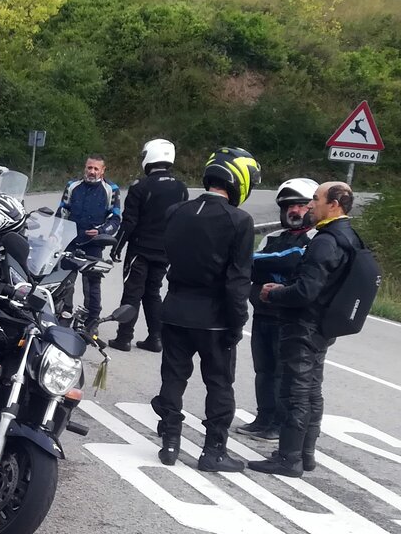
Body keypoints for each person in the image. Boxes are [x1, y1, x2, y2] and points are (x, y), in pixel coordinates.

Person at [150, 147, 259, 473]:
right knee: (219, 384)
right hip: (214, 318)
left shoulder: (176, 211)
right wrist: (238, 321)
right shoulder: (239, 221)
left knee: (172, 378)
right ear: (240, 180)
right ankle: (213, 452)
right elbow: (238, 281)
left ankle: (170, 442)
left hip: (175, 309)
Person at [251, 181, 360, 477]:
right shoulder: (350, 237)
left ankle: (288, 458)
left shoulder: (325, 241)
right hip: (325, 325)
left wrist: (274, 293)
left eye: (315, 199)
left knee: (294, 392)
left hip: (304, 324)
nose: (310, 205)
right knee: (312, 391)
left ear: (334, 204)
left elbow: (306, 291)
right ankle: (306, 454)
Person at [236, 178, 317, 441]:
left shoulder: (314, 239)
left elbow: (292, 260)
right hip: (264, 313)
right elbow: (253, 269)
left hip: (291, 317)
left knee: (285, 373)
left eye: (301, 205)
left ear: (312, 207)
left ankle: (280, 423)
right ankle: (264, 417)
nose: (294, 211)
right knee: (264, 370)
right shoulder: (272, 237)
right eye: (289, 206)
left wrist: (262, 265)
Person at [108, 139, 185, 353]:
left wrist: (117, 247)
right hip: (165, 251)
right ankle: (156, 338)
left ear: (150, 156)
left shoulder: (140, 186)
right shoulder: (181, 188)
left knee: (132, 292)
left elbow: (129, 222)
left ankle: (124, 338)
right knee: (153, 293)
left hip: (140, 250)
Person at [58, 155, 121, 321]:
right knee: (65, 279)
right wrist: (54, 234)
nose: (92, 172)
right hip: (71, 240)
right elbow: (61, 212)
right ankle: (64, 311)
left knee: (92, 284)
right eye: (89, 168)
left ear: (102, 170)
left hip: (94, 244)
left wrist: (101, 231)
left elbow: (115, 219)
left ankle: (92, 318)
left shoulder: (111, 189)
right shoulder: (72, 186)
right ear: (85, 168)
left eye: (96, 169)